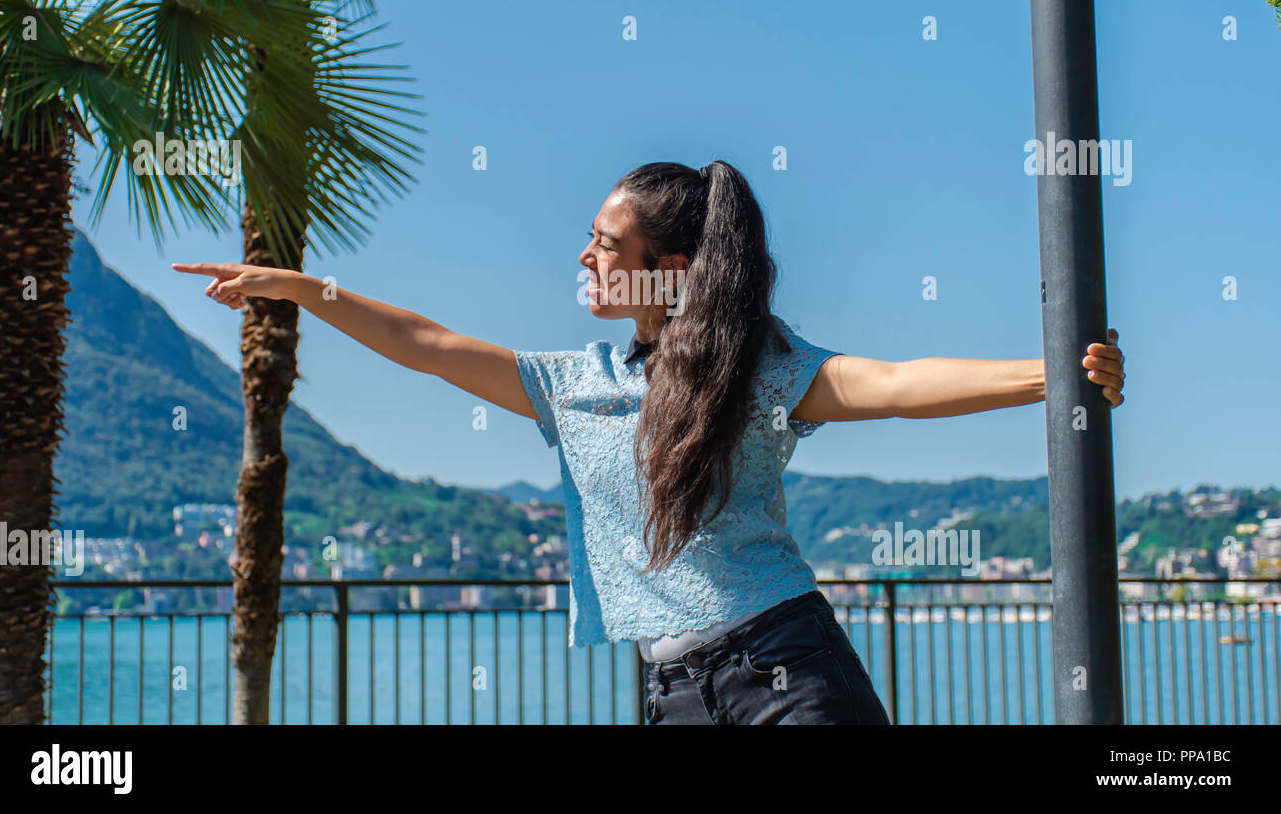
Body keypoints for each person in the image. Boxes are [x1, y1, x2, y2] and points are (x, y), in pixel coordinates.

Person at [174, 159, 1126, 725]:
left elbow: (895, 385)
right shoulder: (574, 384)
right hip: (669, 694)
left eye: (604, 245)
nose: (583, 258)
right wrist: (299, 287)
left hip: (786, 674)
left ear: (668, 272)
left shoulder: (760, 371)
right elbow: (427, 347)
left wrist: (1059, 375)